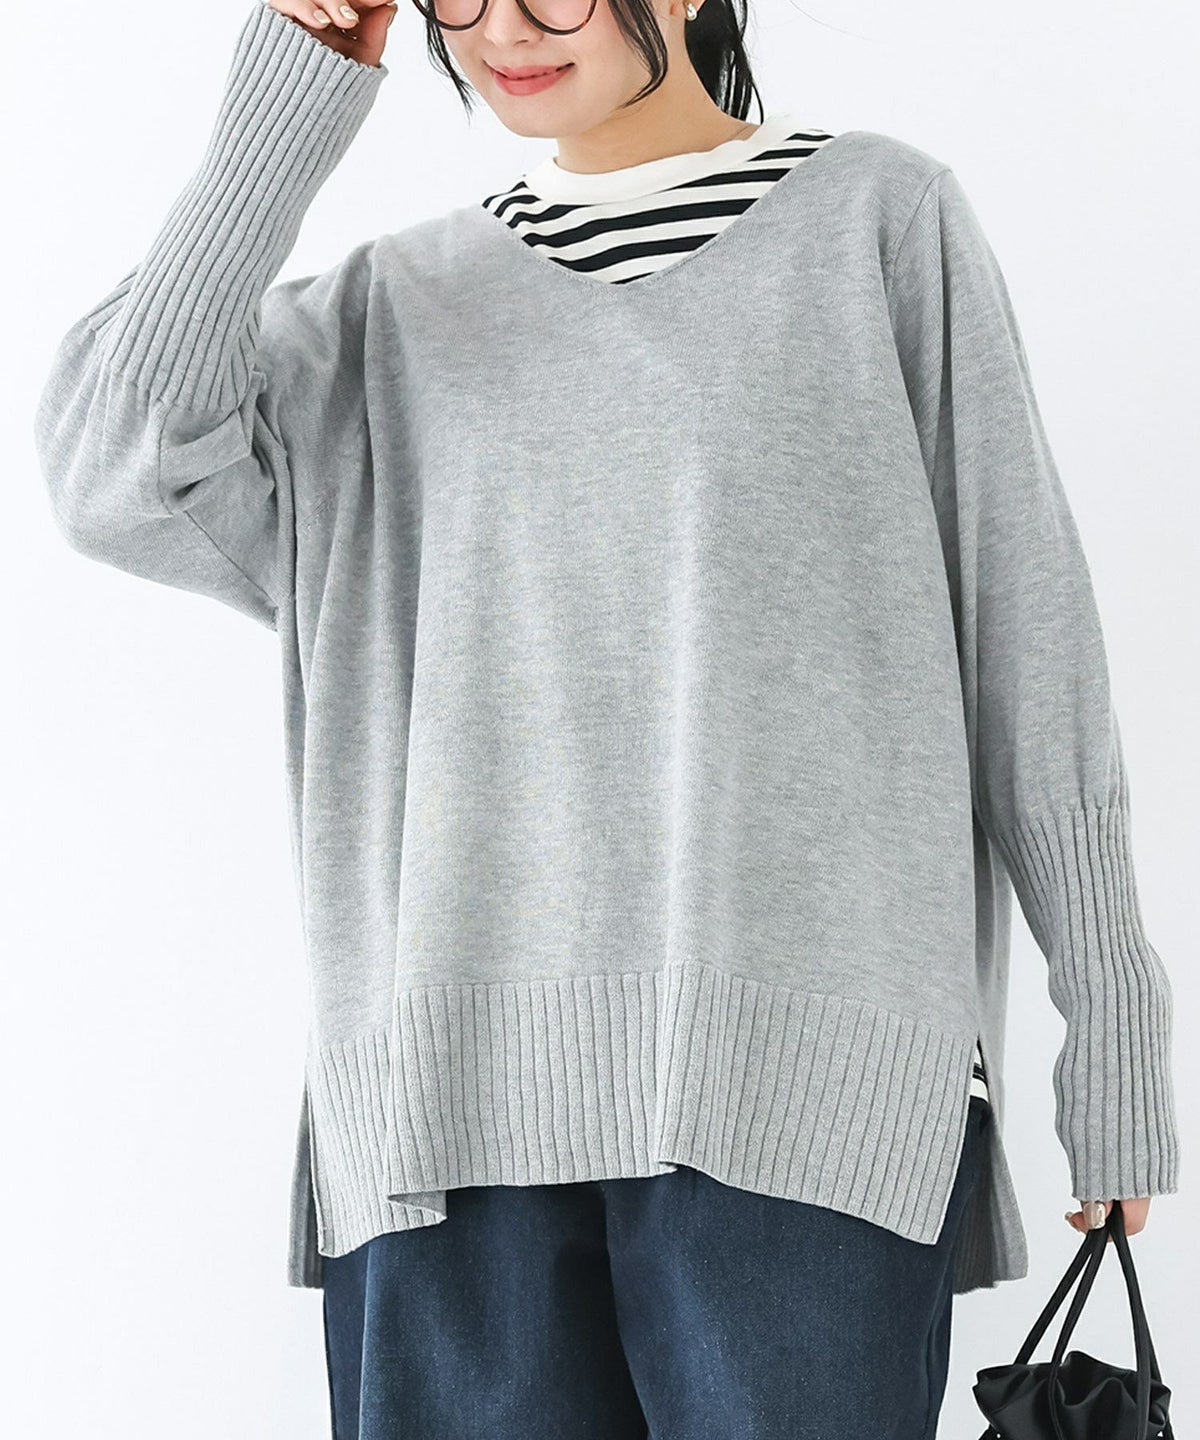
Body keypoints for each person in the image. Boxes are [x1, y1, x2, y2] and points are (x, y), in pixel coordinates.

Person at [33, 0, 1179, 1435]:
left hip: (807, 1093)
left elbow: (1028, 642)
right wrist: (298, 83)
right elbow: (118, 468)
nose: (506, 28)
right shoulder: (382, 316)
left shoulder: (879, 223)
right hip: (444, 1113)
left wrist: (1112, 1029)